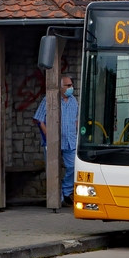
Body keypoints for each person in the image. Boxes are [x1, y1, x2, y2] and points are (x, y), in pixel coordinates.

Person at [33, 75, 79, 207]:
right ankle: (56, 198)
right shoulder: (49, 100)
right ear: (60, 87)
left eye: (71, 85)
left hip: (70, 141)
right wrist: (48, 134)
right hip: (53, 142)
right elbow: (39, 119)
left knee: (74, 167)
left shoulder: (74, 101)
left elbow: (76, 119)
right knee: (53, 169)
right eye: (68, 85)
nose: (71, 88)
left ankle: (66, 191)